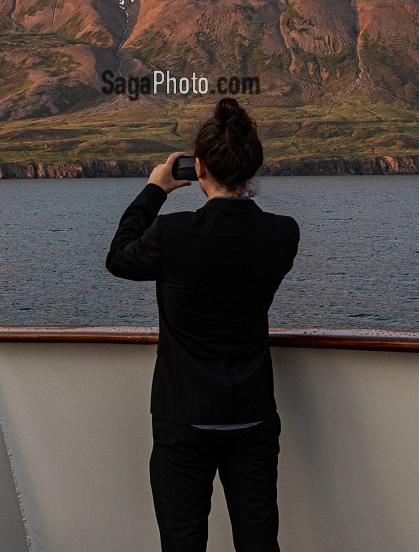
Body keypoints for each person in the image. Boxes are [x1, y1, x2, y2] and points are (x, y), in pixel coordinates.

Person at [107, 98, 299, 552]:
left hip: (183, 417)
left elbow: (118, 258)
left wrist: (155, 189)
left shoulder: (172, 235)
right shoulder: (283, 234)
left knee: (183, 542)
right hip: (252, 415)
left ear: (198, 169)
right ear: (252, 167)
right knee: (258, 543)